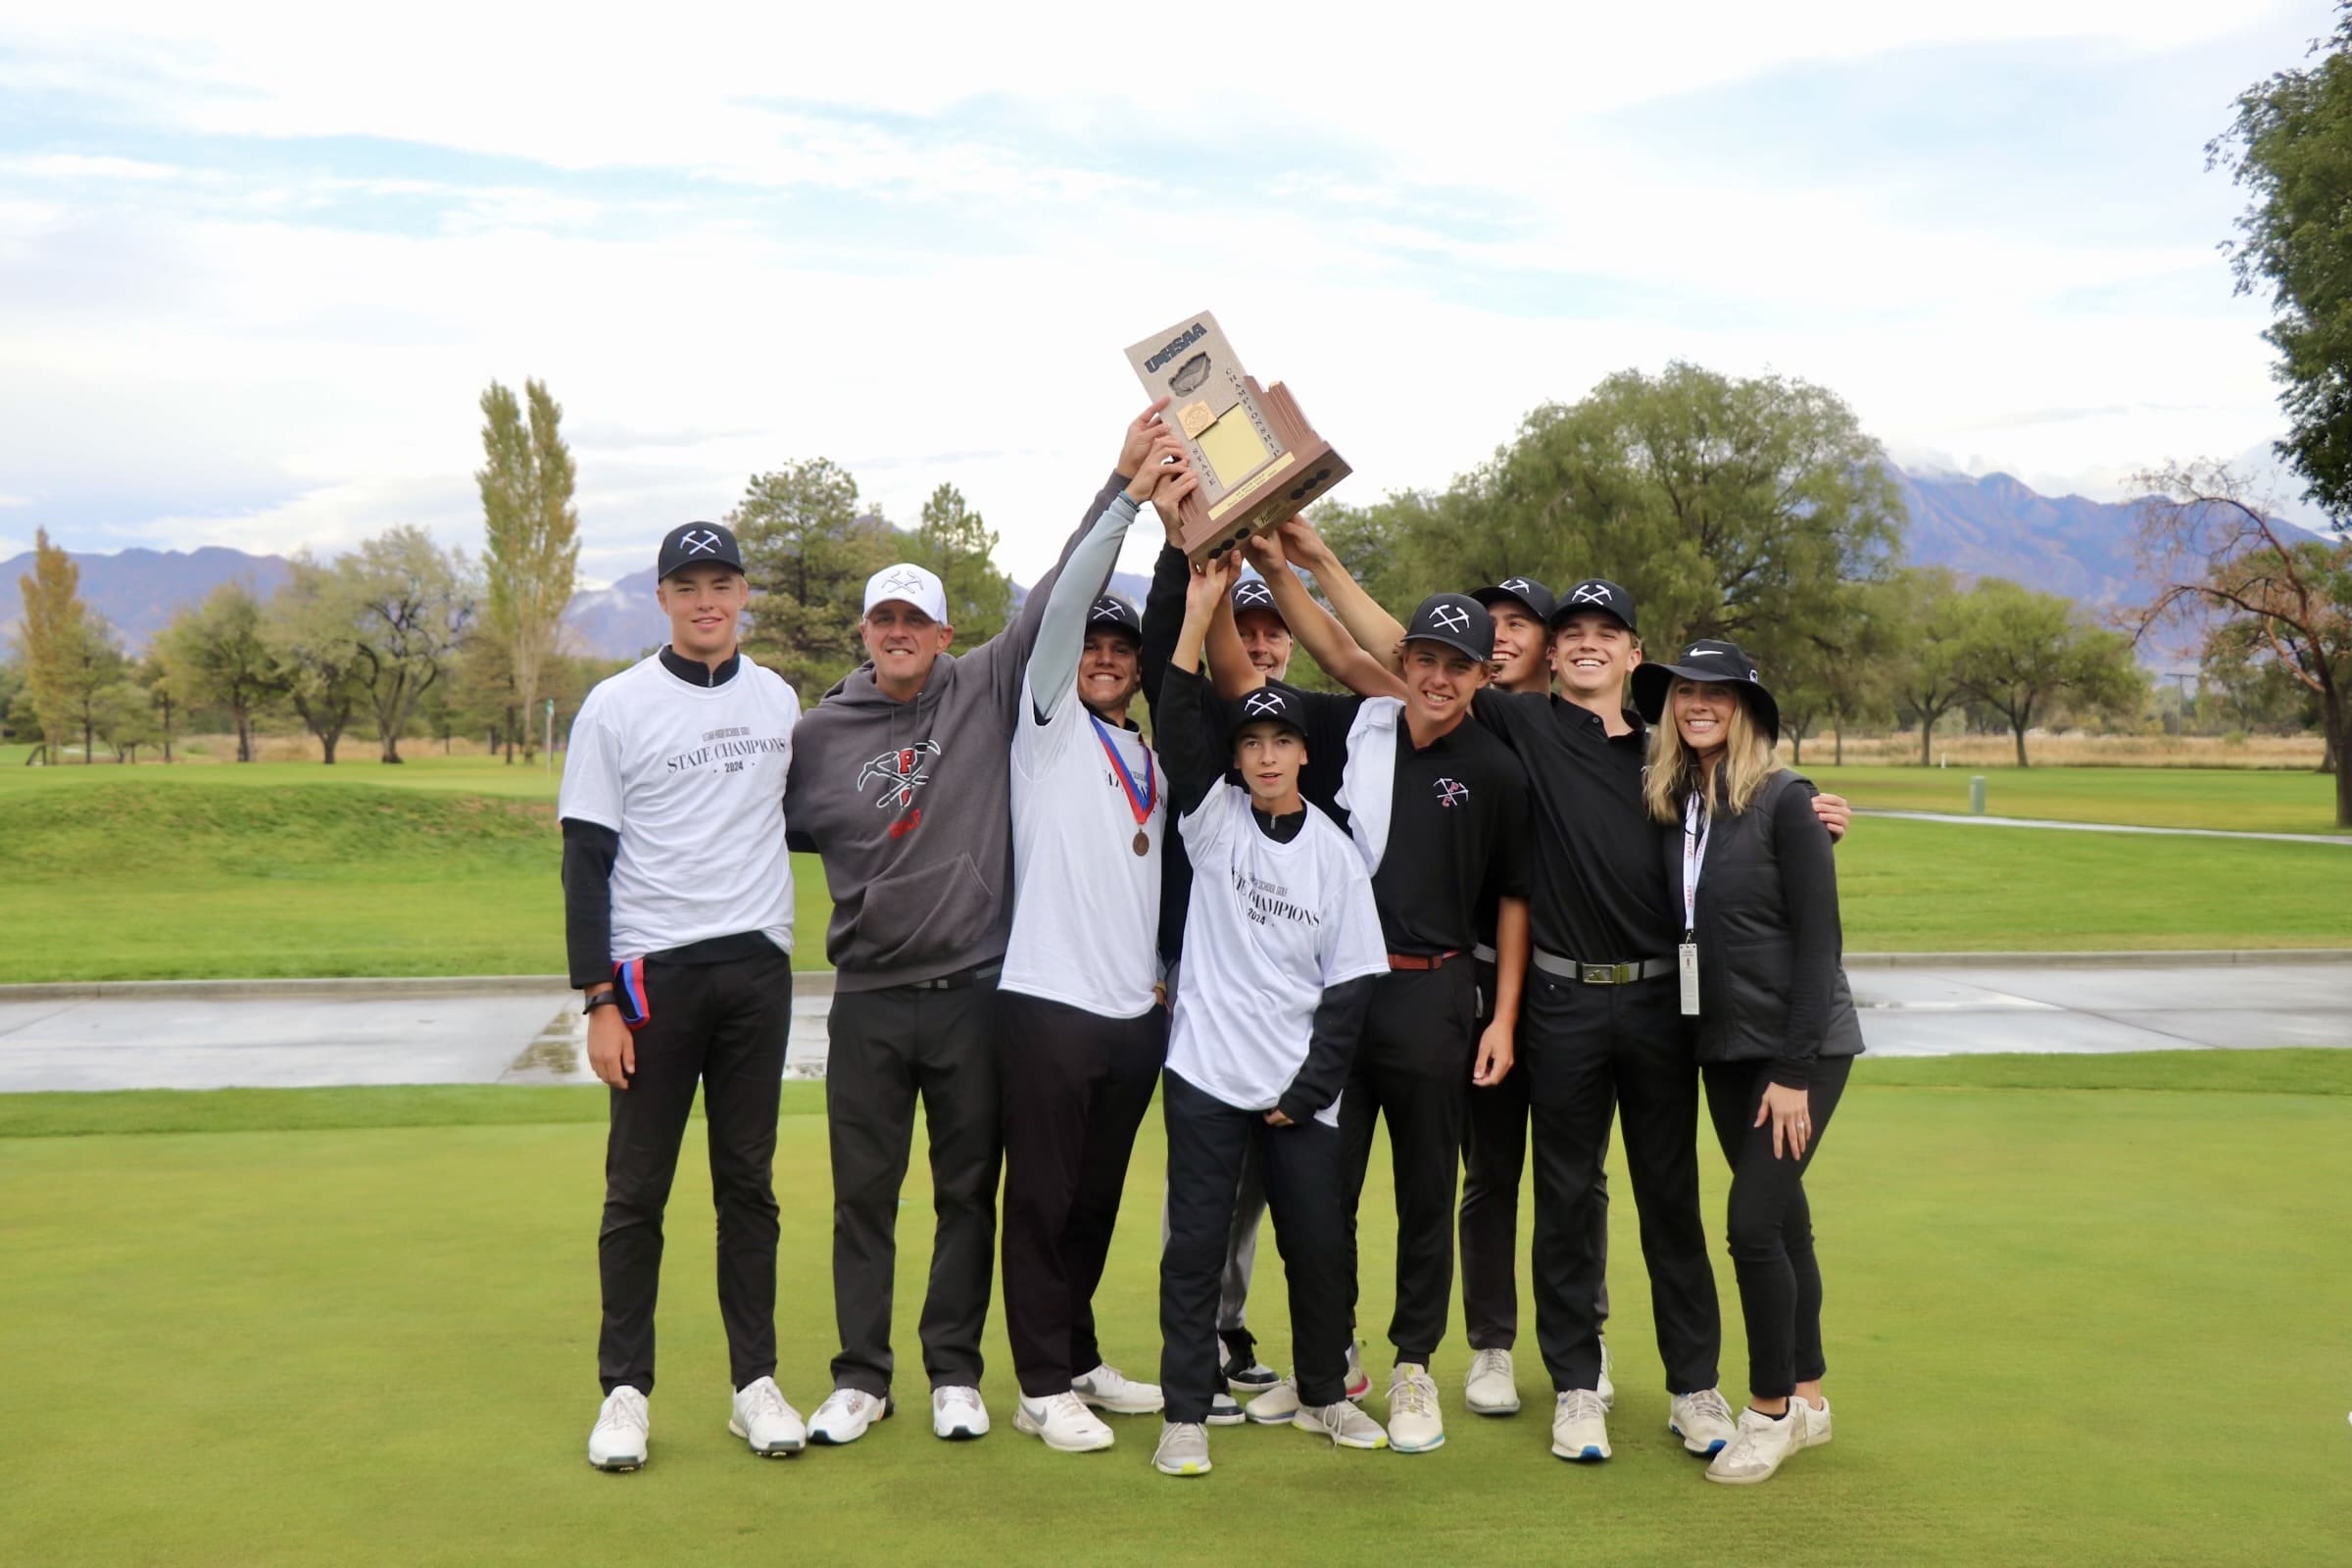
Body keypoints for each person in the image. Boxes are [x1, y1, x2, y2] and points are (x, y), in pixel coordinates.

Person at [1269, 540, 1851, 1464]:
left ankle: (1693, 1386)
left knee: (1671, 1200)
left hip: (1664, 1006)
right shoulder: (1521, 725)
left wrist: (1811, 809)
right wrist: (1315, 558)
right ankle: (1577, 1387)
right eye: (1571, 630)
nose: (1585, 643)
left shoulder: (1675, 752)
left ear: (1632, 653)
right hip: (1562, 1001)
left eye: (1605, 632)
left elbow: (1752, 797)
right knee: (1568, 1197)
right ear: (1552, 652)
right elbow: (1385, 648)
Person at [782, 403, 1181, 1447]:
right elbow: (764, 835)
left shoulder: (988, 686)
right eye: (884, 622)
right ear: (865, 632)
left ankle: (954, 1370)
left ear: (947, 634)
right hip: (868, 998)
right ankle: (861, 1375)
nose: (901, 635)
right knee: (864, 1199)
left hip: (970, 991)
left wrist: (1126, 487)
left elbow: (1059, 598)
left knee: (970, 1190)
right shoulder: (819, 734)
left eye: (917, 621)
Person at [1209, 538, 1532, 1454]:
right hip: (1338, 998)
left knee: (1427, 1193)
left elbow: (1514, 899)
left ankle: (1414, 1366)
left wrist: (1502, 1016)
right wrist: (1257, 576)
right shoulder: (1360, 728)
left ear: (1478, 677)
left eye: (1455, 666)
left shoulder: (1499, 767)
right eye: (1423, 660)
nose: (1435, 678)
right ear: (1406, 664)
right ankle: (1332, 1367)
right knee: (1324, 1195)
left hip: (1435, 1002)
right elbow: (1296, 668)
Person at [561, 520, 805, 1472]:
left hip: (756, 970)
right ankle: (626, 1393)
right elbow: (587, 862)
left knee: (748, 1185)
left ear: (745, 595)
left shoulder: (780, 698)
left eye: (724, 584)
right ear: (662, 598)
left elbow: (816, 818)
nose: (708, 601)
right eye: (689, 585)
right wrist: (600, 1000)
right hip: (653, 976)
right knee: (638, 1190)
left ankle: (756, 1387)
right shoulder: (615, 706)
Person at [1152, 553, 1394, 1479]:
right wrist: (1199, 607)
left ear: (1302, 753)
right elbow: (1177, 717)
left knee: (1319, 1250)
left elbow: (1351, 985)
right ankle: (1185, 1416)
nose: (1262, 756)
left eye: (1278, 743)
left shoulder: (1334, 855)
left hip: (1303, 1090)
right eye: (1249, 743)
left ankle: (1327, 1396)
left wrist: (1308, 1088)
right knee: (1194, 1254)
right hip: (1208, 1076)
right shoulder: (1212, 822)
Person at [996, 444, 1196, 1454]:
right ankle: (1036, 1383)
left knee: (1094, 1198)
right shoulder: (1049, 726)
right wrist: (1130, 505)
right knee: (1038, 1197)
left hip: (1130, 1012)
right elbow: (1069, 602)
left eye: (1123, 649)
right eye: (1095, 645)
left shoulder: (1148, 757)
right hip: (1046, 1001)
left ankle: (1073, 1355)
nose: (1108, 656)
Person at [1633, 639, 1864, 1486]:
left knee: (1751, 1224)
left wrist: (1796, 1069)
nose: (1699, 705)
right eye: (1687, 692)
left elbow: (1819, 946)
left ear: (1748, 712)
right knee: (1785, 1221)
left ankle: (1767, 1410)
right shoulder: (1677, 800)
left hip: (1798, 1048)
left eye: (1718, 695)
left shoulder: (1786, 799)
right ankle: (1809, 1398)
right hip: (1721, 1047)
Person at [1136, 550, 1311, 1401]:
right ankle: (1193, 1339)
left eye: (1274, 633)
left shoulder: (1305, 736)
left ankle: (1225, 1322)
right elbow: (1166, 650)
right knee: (1204, 1176)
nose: (1264, 646)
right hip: (1198, 971)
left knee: (1252, 1187)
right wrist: (1186, 562)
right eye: (1246, 633)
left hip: (1281, 986)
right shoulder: (1201, 718)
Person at [1452, 573, 1611, 1418]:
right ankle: (1491, 1345)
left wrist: (1802, 810)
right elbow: (1371, 652)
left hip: (1576, 986)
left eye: (1519, 623)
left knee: (1579, 1177)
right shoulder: (1464, 711)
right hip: (1484, 976)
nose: (1501, 635)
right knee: (1490, 1170)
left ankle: (1585, 1332)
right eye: (1490, 623)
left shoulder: (1592, 733)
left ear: (1552, 644)